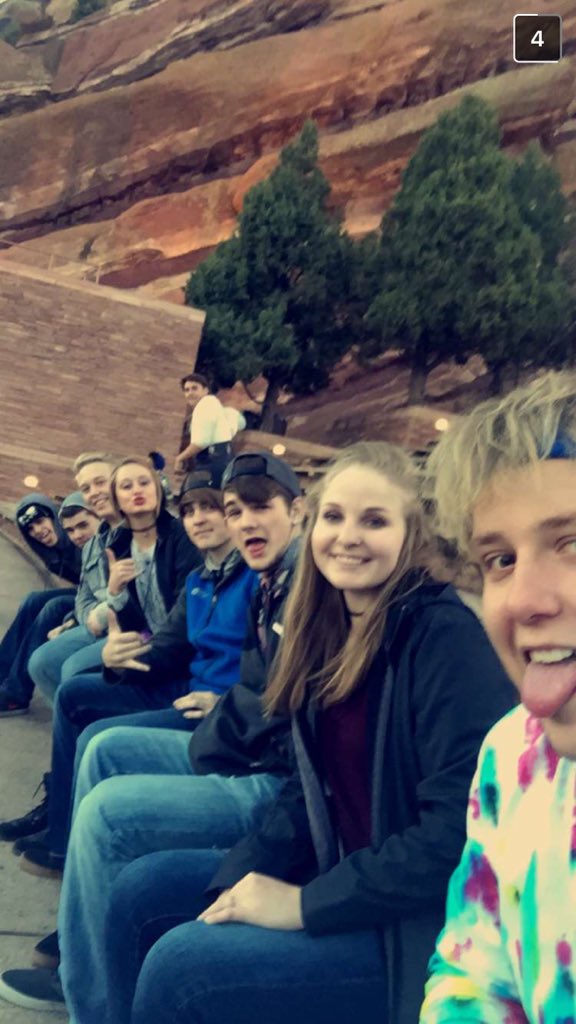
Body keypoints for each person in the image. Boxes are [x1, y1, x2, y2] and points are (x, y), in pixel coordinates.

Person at [44, 442, 515, 1024]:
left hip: (414, 928)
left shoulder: (443, 636)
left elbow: (454, 836)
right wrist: (239, 876)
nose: (348, 537)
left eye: (374, 521)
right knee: (142, 891)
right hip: (334, 862)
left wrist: (303, 903)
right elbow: (307, 786)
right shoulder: (329, 623)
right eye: (335, 516)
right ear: (313, 524)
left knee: (182, 967)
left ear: (412, 532)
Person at [0, 452, 306, 1017]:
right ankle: (72, 883)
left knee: (104, 774)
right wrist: (117, 660)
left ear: (298, 511)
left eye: (241, 507)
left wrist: (226, 706)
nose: (218, 520)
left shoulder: (291, 585)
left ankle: (83, 971)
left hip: (240, 744)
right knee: (89, 719)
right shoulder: (219, 578)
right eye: (218, 510)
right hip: (219, 722)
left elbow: (274, 694)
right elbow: (169, 642)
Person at [415, 371, 576, 1022]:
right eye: (500, 560)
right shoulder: (512, 754)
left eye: (572, 543)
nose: (524, 601)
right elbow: (472, 971)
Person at [14, 455, 201, 879]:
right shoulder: (119, 542)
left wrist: (122, 664)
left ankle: (65, 834)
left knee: (78, 690)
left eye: (144, 483)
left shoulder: (180, 541)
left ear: (159, 490)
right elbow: (128, 610)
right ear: (117, 500)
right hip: (149, 654)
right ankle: (61, 827)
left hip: (174, 667)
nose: (137, 491)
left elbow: (180, 628)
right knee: (72, 693)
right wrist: (114, 604)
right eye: (126, 486)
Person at [27, 453, 123, 702]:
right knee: (40, 662)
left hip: (128, 627)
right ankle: (71, 718)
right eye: (86, 488)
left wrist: (96, 618)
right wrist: (86, 619)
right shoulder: (92, 544)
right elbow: (83, 595)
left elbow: (137, 598)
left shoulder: (138, 532)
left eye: (100, 482)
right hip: (96, 623)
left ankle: (86, 717)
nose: (94, 492)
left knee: (72, 669)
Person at [0, 492, 86, 717]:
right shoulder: (54, 552)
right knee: (34, 600)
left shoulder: (79, 539)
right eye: (30, 528)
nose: (38, 531)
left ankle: (15, 695)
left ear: (53, 516)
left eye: (40, 521)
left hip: (100, 601)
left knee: (54, 608)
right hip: (87, 595)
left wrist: (73, 617)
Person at [174, 372, 235, 481]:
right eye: (187, 390)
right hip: (221, 461)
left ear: (206, 390)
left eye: (194, 388)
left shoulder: (205, 405)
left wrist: (180, 458)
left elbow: (201, 442)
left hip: (211, 464)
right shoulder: (213, 404)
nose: (190, 393)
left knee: (194, 489)